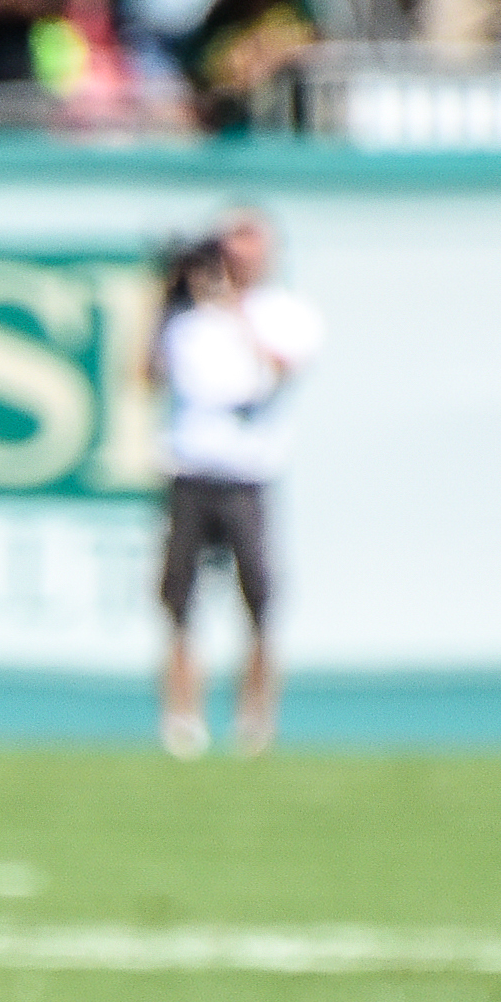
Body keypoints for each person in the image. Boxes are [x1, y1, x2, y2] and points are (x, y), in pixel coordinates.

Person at [152, 209, 322, 757]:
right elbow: (145, 373)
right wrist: (165, 294)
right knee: (179, 603)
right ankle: (182, 721)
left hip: (249, 474)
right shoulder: (185, 320)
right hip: (191, 469)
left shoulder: (284, 313)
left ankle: (255, 723)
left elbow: (278, 371)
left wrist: (236, 310)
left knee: (259, 605)